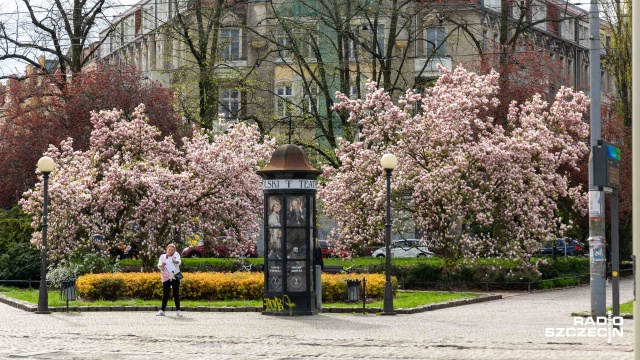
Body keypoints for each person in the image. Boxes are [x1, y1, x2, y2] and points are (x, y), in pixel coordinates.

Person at [157, 244, 183, 317]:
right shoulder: (162, 257)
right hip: (166, 277)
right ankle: (162, 310)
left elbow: (179, 262)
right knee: (165, 294)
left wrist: (175, 261)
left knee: (176, 293)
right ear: (166, 249)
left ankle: (178, 310)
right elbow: (159, 266)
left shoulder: (176, 255)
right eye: (169, 249)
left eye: (172, 250)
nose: (170, 251)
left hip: (174, 277)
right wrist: (162, 265)